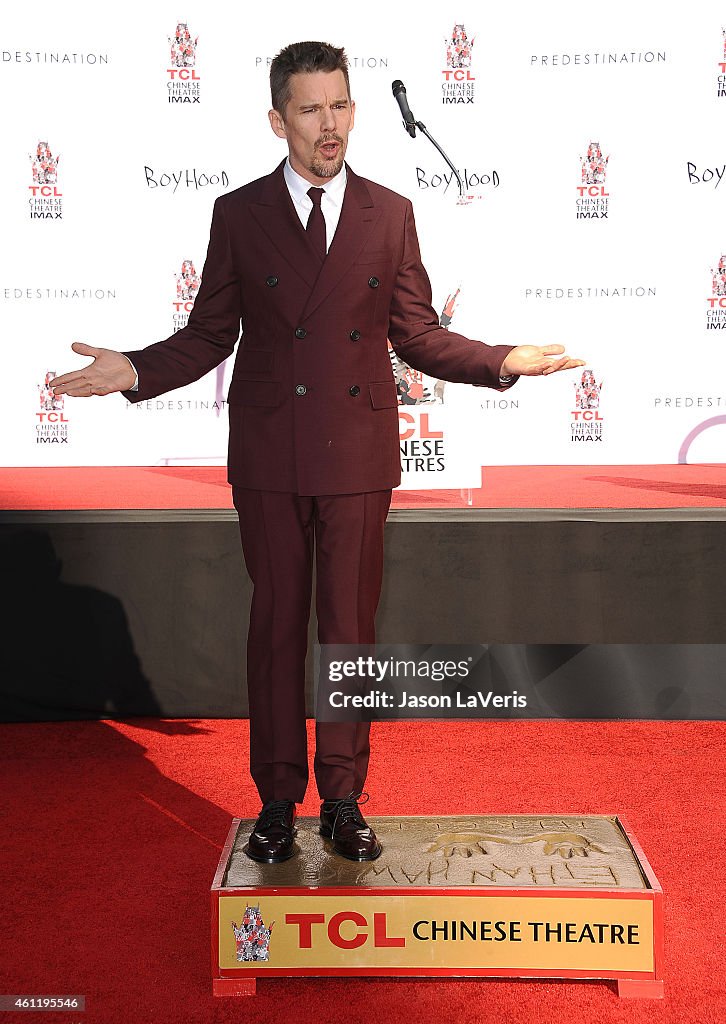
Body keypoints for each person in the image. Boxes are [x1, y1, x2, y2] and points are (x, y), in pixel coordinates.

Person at [50, 40, 583, 866]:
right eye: (310, 109)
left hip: (359, 454)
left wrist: (500, 359)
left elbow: (418, 332)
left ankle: (341, 801)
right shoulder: (239, 213)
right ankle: (273, 801)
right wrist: (135, 370)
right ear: (277, 120)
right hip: (268, 453)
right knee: (274, 631)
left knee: (347, 634)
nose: (329, 125)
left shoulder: (390, 211)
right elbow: (207, 334)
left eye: (340, 106)